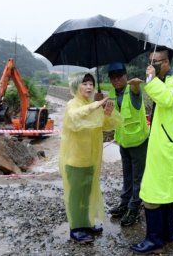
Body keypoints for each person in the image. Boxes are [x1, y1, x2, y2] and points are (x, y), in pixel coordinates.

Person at [130, 46, 173, 255]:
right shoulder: (167, 80)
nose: (151, 65)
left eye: (156, 61)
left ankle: (154, 240)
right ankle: (169, 236)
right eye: (150, 61)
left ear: (167, 62)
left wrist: (151, 82)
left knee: (151, 194)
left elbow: (168, 100)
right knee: (168, 194)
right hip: (166, 145)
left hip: (167, 148)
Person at [59, 72, 124, 243]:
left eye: (91, 84)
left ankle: (86, 224)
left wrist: (108, 113)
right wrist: (95, 105)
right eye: (84, 83)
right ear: (76, 86)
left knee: (87, 194)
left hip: (91, 159)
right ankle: (75, 229)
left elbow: (104, 126)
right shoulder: (72, 105)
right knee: (75, 196)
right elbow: (75, 118)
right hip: (75, 160)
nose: (89, 87)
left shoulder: (91, 105)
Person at [106, 62, 149, 227]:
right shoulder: (113, 94)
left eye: (119, 76)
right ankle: (124, 204)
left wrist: (137, 86)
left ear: (126, 76)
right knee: (127, 176)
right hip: (123, 142)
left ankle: (134, 208)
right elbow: (111, 119)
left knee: (137, 178)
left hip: (138, 142)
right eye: (113, 77)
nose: (116, 80)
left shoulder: (132, 90)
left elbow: (137, 94)